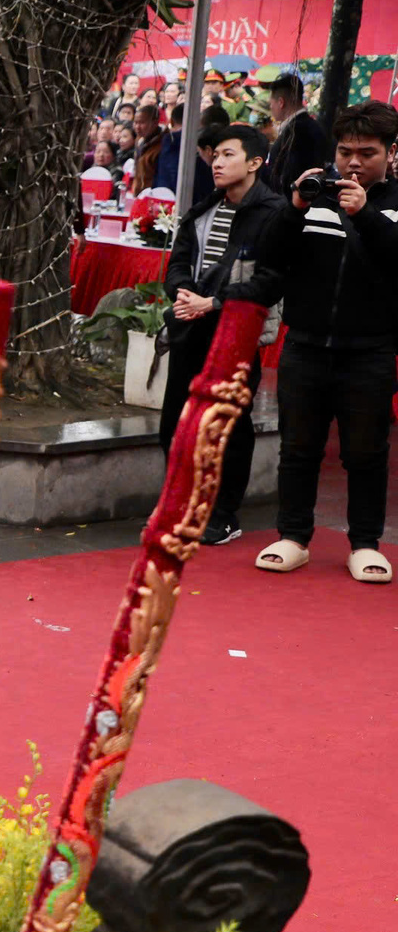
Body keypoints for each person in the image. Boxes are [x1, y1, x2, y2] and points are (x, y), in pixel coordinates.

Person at [253, 100, 398, 585]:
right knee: (297, 447)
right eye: (345, 151)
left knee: (365, 451)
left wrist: (365, 216)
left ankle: (364, 544)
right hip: (306, 343)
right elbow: (269, 254)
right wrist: (294, 205)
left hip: (371, 349)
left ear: (390, 154)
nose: (353, 162)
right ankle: (293, 537)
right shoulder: (317, 195)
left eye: (367, 152)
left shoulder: (393, 204)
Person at [157, 124, 285, 547]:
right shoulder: (203, 208)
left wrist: (210, 303)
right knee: (176, 420)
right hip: (189, 328)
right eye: (215, 155)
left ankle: (224, 513)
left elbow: (269, 280)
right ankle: (179, 505)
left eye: (228, 155)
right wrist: (180, 293)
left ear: (254, 162)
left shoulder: (273, 213)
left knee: (228, 425)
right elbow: (178, 263)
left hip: (236, 332)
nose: (217, 162)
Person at [263, 72, 331, 194]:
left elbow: (288, 178)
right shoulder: (312, 126)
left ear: (280, 102)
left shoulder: (297, 132)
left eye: (271, 104)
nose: (271, 108)